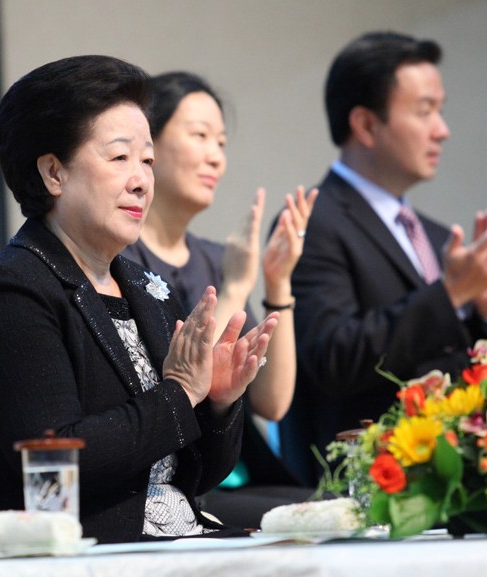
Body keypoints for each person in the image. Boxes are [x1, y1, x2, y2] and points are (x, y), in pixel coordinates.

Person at [0, 55, 279, 544]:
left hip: (173, 541)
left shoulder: (147, 288)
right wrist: (180, 394)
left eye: (148, 161)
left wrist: (217, 402)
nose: (142, 180)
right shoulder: (11, 291)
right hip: (75, 552)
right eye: (119, 158)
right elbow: (59, 464)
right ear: (54, 173)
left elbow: (197, 477)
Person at [279, 31, 487, 487]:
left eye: (440, 110)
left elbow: (485, 376)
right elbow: (332, 358)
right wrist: (451, 295)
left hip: (460, 479)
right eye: (424, 110)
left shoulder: (437, 237)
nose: (442, 129)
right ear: (366, 125)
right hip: (363, 485)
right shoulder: (312, 222)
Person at [122, 71, 319, 529]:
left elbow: (272, 403)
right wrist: (235, 288)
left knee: (336, 508)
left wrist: (277, 283)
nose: (215, 156)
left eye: (222, 143)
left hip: (237, 470)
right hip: (180, 482)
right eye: (199, 136)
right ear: (149, 146)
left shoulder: (217, 258)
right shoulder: (122, 261)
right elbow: (189, 391)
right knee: (316, 518)